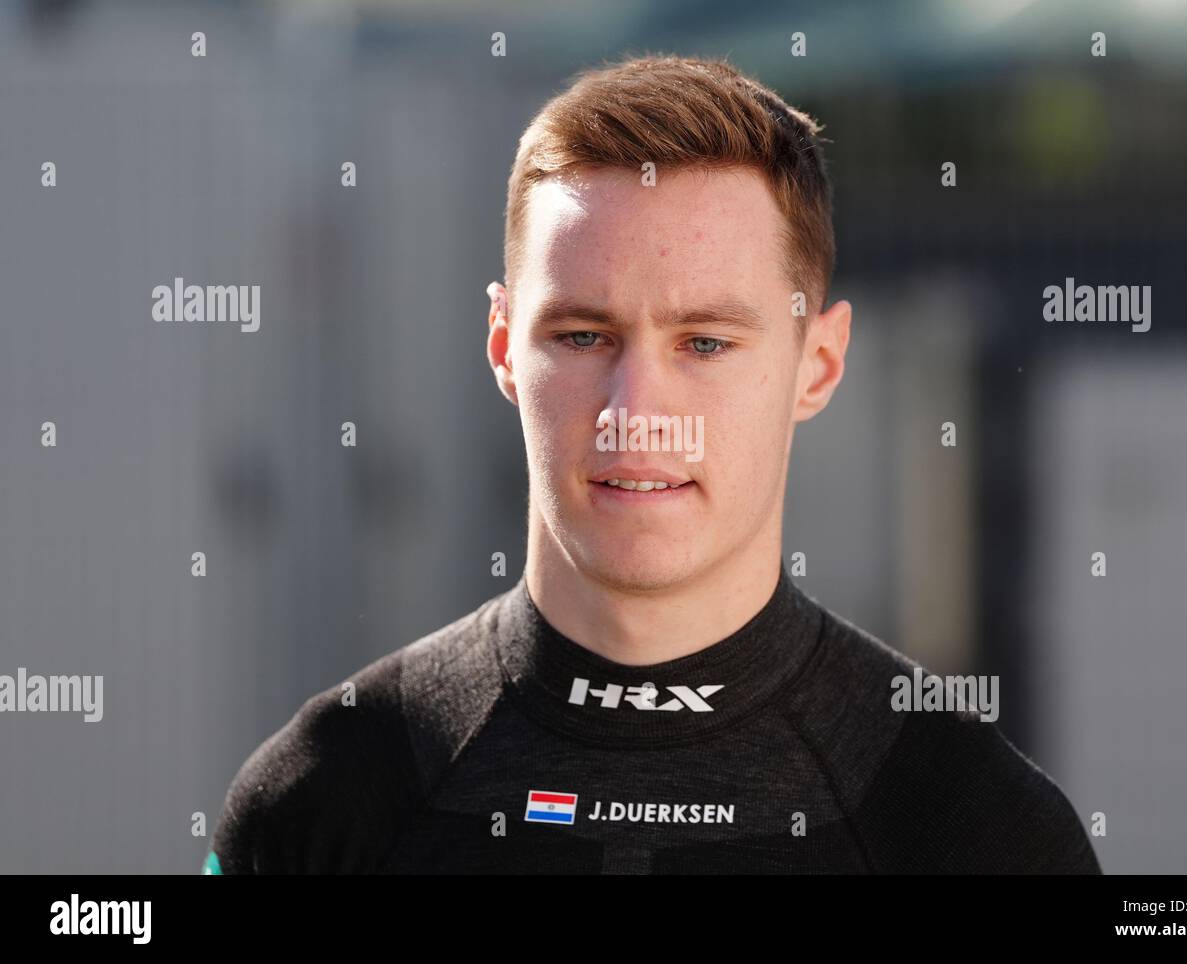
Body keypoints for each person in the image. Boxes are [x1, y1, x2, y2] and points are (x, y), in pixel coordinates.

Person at [207, 53, 1100, 874]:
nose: (636, 415)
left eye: (705, 343)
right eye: (584, 335)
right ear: (505, 349)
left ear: (817, 365)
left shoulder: (973, 828)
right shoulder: (320, 799)